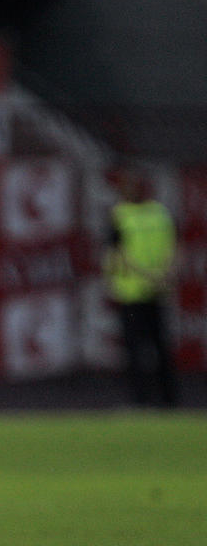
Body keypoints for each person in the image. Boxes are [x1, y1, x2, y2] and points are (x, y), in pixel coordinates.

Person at [104, 169, 179, 407]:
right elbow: (175, 248)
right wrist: (165, 274)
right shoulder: (160, 214)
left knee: (136, 350)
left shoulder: (121, 215)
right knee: (161, 348)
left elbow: (118, 255)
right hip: (158, 290)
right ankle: (169, 402)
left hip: (133, 293)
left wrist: (146, 275)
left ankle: (142, 402)